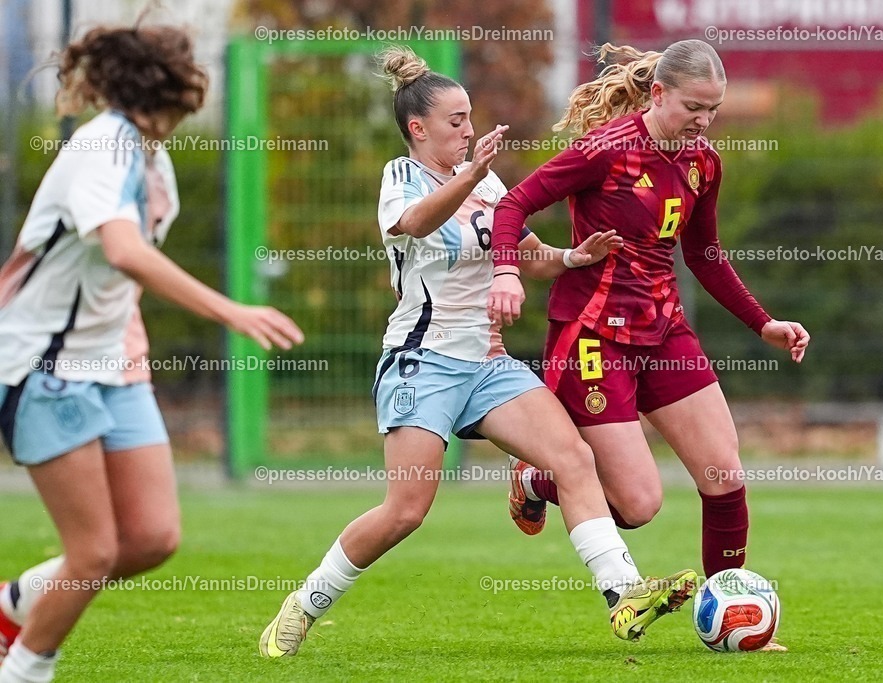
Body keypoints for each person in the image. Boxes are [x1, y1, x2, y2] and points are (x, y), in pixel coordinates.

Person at [258, 46, 698, 658]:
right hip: (424, 362)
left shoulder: (486, 181)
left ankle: (624, 596)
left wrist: (573, 258)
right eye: (455, 121)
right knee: (406, 511)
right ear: (419, 129)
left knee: (573, 458)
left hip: (489, 366)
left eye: (469, 118)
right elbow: (414, 224)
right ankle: (306, 603)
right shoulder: (402, 176)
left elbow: (524, 254)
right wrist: (467, 178)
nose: (468, 130)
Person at [0, 25, 304, 683]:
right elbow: (123, 251)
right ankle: (22, 668)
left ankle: (12, 604)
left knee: (150, 538)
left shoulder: (152, 157)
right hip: (45, 368)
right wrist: (232, 311)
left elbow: (116, 277)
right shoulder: (103, 144)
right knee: (92, 552)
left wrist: (126, 343)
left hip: (111, 365)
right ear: (171, 86)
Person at [488, 41, 809, 645]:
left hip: (664, 330)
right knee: (637, 506)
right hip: (593, 336)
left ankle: (729, 616)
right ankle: (537, 479)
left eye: (713, 110)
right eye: (694, 107)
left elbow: (704, 255)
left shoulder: (704, 164)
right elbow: (514, 203)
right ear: (658, 95)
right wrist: (507, 270)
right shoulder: (603, 150)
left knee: (724, 474)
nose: (704, 122)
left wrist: (760, 322)